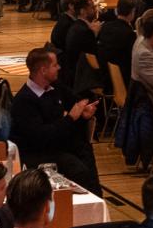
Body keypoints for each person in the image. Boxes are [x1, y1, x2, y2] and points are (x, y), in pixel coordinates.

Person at [9, 47, 101, 193]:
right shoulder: (24, 101)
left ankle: (96, 200)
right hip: (38, 153)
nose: (59, 67)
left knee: (85, 151)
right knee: (77, 168)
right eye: (55, 65)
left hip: (59, 144)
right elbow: (41, 137)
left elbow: (76, 106)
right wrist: (70, 118)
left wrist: (83, 115)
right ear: (43, 70)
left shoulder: (55, 87)